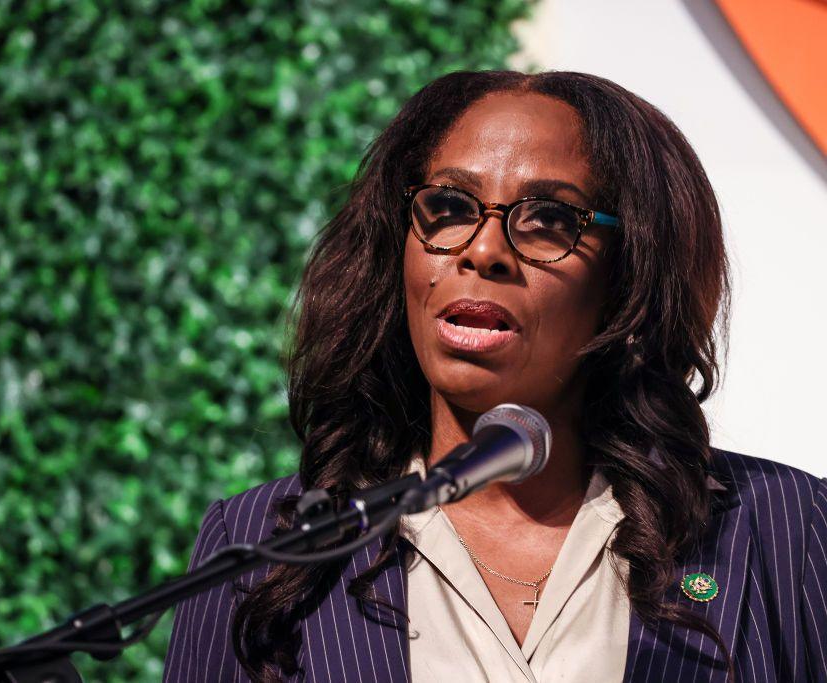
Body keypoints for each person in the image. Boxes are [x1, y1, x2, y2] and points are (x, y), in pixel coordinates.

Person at [162, 71, 827, 682]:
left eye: (549, 220)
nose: (483, 250)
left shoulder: (784, 526)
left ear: (630, 278)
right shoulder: (266, 544)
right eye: (448, 207)